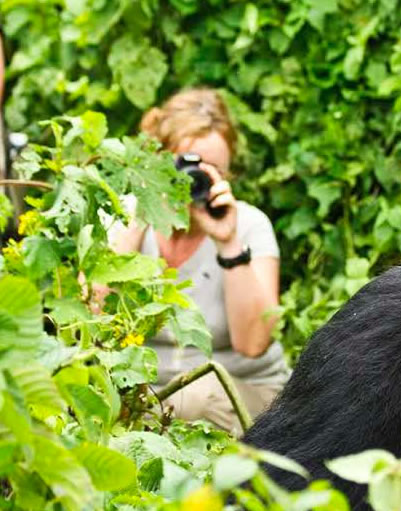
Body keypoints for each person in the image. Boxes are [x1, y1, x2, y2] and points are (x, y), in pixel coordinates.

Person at [113, 88, 290, 435]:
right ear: (159, 162)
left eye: (213, 170)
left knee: (197, 399)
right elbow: (91, 319)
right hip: (145, 395)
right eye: (186, 166)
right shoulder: (124, 216)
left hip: (242, 393)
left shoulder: (249, 226)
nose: (197, 181)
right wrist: (143, 214)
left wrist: (227, 242)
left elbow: (253, 344)